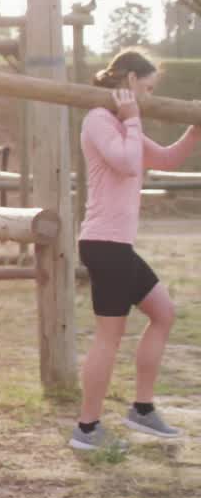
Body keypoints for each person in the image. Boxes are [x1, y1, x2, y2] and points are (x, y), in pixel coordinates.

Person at [70, 49, 199, 451]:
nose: (149, 95)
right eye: (148, 87)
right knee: (109, 337)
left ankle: (142, 410)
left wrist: (194, 130)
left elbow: (165, 159)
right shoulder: (99, 119)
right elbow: (127, 163)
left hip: (117, 246)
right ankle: (87, 430)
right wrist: (132, 118)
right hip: (104, 243)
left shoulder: (124, 124)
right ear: (129, 80)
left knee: (163, 313)